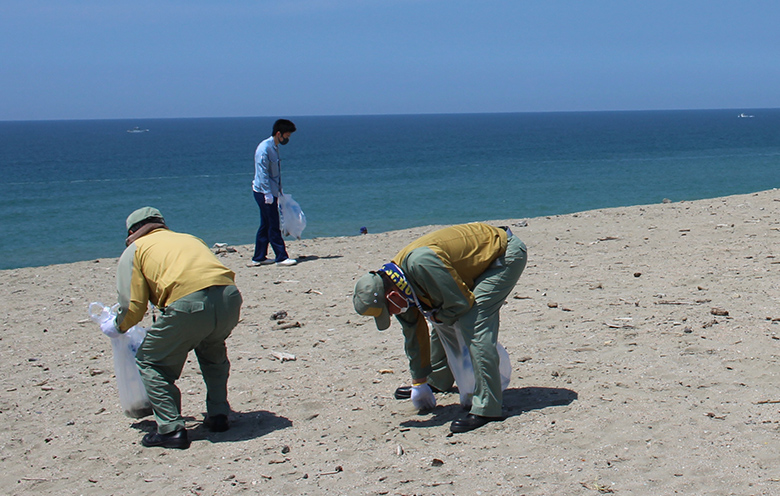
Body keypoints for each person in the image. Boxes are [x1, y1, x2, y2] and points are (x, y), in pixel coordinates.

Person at [353, 223, 527, 433]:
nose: (390, 314)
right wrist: (420, 384)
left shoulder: (420, 265)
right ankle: (438, 380)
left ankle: (488, 406)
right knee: (438, 312)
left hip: (504, 255)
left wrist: (438, 314)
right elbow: (413, 332)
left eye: (387, 311)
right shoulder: (397, 283)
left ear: (391, 296)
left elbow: (460, 304)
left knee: (474, 319)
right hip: (474, 263)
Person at [99, 207, 243, 449]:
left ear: (132, 231)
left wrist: (116, 327)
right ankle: (219, 415)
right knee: (212, 351)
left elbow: (133, 305)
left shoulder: (135, 250)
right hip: (229, 298)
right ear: (161, 224)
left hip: (189, 304)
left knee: (149, 361)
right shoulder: (188, 238)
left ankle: (171, 429)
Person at [250, 118, 298, 267]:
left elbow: (275, 173)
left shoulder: (274, 147)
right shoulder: (264, 149)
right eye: (287, 136)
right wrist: (267, 194)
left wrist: (278, 190)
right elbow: (262, 173)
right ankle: (281, 257)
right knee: (273, 225)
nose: (287, 139)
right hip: (264, 193)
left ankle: (259, 257)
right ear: (279, 134)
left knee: (265, 224)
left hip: (271, 191)